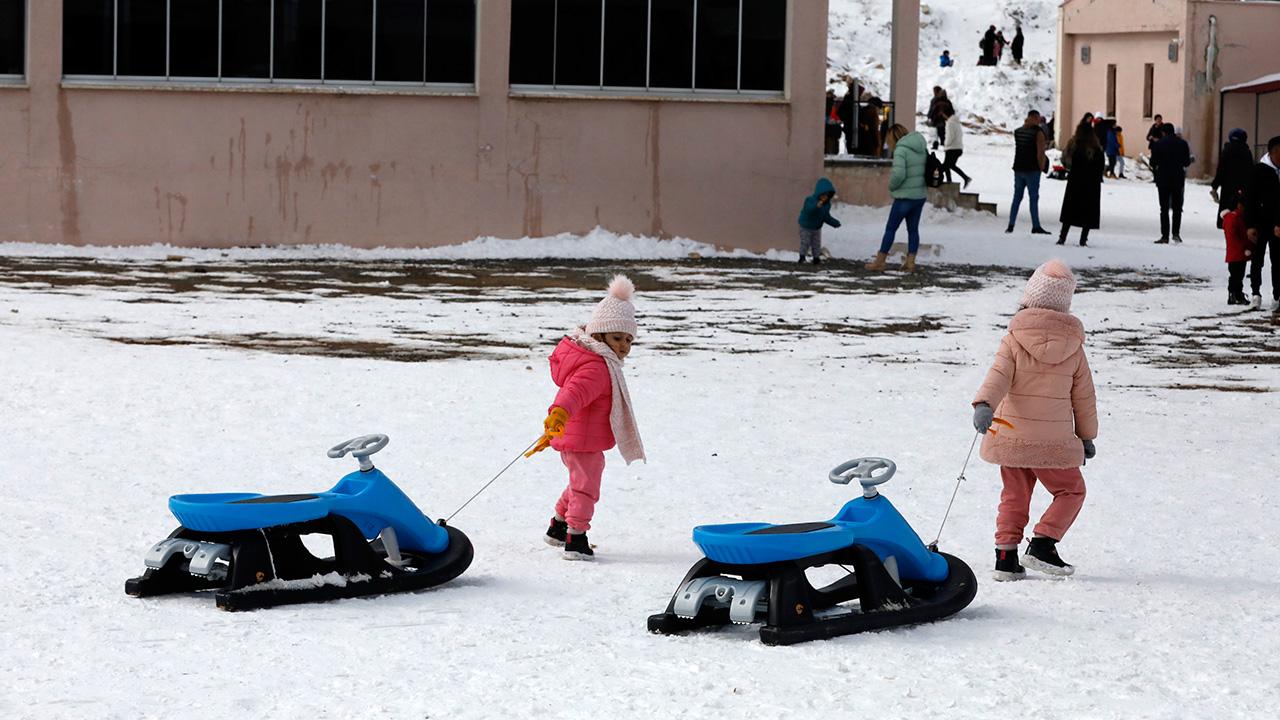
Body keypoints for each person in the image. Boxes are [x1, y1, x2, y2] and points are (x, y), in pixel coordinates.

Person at [972, 259, 1098, 581]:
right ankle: (1043, 543)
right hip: (1052, 443)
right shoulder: (1074, 347)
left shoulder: (1014, 339)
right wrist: (1086, 436)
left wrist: (985, 404)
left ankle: (1005, 558)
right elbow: (1083, 397)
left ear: (1028, 298)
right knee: (1071, 492)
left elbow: (998, 375)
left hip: (1012, 436)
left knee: (1014, 494)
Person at [533, 276, 645, 561]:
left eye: (629, 340)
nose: (623, 346)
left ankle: (558, 526)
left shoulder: (602, 362)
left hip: (581, 437)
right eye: (617, 338)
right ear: (599, 335)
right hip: (580, 438)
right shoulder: (596, 367)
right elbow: (573, 393)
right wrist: (559, 413)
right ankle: (576, 538)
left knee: (578, 482)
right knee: (586, 487)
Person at [865, 124, 928, 273]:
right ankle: (910, 262)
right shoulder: (921, 147)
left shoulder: (901, 150)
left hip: (904, 197)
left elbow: (899, 175)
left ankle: (880, 262)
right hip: (919, 196)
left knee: (891, 229)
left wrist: (892, 187)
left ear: (893, 137)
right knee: (913, 230)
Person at [1243, 136, 1280, 312]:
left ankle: (1277, 295)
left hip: (1277, 225)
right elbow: (1249, 198)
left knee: (1278, 260)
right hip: (1259, 223)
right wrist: (1250, 225)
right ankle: (1255, 293)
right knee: (1257, 260)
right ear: (1273, 153)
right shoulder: (1258, 170)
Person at [1058, 121, 1105, 247]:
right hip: (1091, 184)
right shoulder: (1096, 149)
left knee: (1070, 210)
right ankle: (1083, 239)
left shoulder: (1073, 145)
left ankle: (1062, 237)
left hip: (1075, 181)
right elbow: (1101, 166)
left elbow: (1065, 161)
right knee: (1088, 212)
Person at [1007, 110, 1052, 235]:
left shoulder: (1018, 131)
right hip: (1032, 169)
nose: (1039, 121)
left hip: (1018, 167)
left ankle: (1011, 225)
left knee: (1017, 197)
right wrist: (1042, 167)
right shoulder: (1038, 133)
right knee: (1033, 197)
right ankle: (1036, 226)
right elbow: (1040, 153)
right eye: (1038, 118)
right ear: (1034, 117)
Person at [1152, 123, 1192, 244]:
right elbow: (1186, 162)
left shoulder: (1159, 144)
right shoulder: (1182, 143)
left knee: (1164, 208)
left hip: (1163, 178)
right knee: (1177, 208)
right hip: (1178, 179)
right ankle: (1176, 233)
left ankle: (1165, 236)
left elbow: (1153, 162)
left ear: (1163, 132)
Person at [1211, 128, 1254, 228]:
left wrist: (1215, 185)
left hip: (1227, 187)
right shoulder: (1246, 151)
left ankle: (1226, 225)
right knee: (1239, 211)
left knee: (1226, 211)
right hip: (1242, 188)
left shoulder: (1227, 150)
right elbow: (1250, 170)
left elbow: (1221, 169)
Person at [797, 177, 842, 264]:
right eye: (823, 195)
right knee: (805, 242)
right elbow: (808, 210)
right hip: (806, 226)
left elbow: (825, 216)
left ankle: (816, 258)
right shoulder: (810, 200)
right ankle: (802, 257)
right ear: (819, 193)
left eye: (827, 195)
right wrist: (816, 206)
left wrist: (834, 223)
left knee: (816, 243)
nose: (825, 197)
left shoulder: (826, 205)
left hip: (816, 227)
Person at [1222, 192, 1253, 306]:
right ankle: (1235, 294)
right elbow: (1236, 236)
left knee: (1236, 275)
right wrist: (1245, 247)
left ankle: (1235, 294)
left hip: (1235, 253)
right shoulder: (1236, 218)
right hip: (1238, 252)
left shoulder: (1231, 218)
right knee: (1237, 275)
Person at [940, 107, 971, 188]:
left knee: (945, 166)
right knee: (949, 165)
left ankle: (935, 176)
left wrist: (946, 144)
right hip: (958, 148)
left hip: (951, 148)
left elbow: (950, 136)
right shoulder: (957, 123)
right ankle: (951, 180)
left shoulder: (950, 123)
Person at [837, 79, 858, 155]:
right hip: (850, 125)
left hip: (849, 125)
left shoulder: (849, 98)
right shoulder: (850, 99)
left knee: (850, 144)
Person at [824, 89, 843, 155]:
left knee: (833, 144)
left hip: (832, 128)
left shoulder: (832, 103)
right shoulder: (827, 103)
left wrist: (837, 120)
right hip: (830, 128)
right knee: (830, 144)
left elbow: (834, 114)